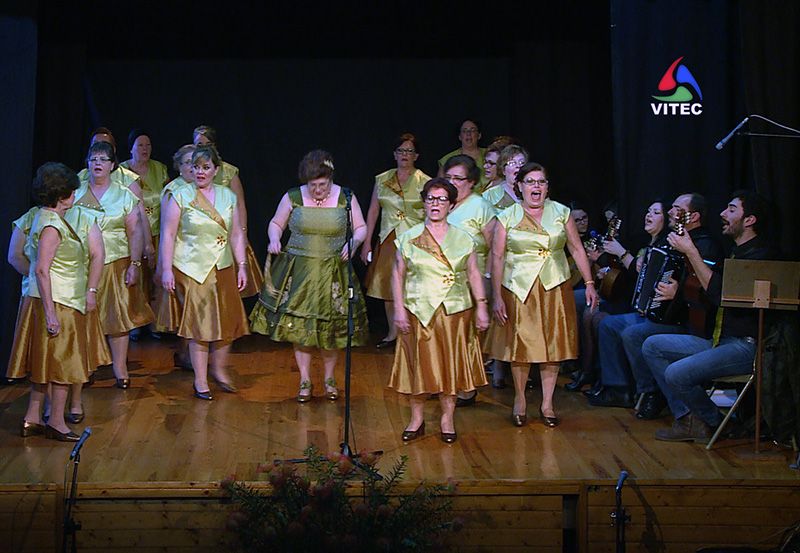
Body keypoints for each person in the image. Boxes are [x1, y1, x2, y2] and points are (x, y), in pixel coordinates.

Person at [641, 191, 774, 441]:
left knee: (676, 374)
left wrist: (691, 251)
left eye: (732, 209)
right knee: (652, 346)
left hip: (745, 346)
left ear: (750, 220)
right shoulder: (735, 252)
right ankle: (689, 419)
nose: (723, 214)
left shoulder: (759, 258)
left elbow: (719, 294)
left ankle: (718, 422)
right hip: (719, 340)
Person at [485, 162, 599, 427]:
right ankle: (521, 399)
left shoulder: (561, 212)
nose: (536, 186)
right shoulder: (507, 216)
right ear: (520, 186)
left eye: (541, 182)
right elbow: (498, 256)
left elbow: (577, 249)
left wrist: (590, 282)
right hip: (518, 288)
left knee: (552, 345)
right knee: (521, 345)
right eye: (531, 182)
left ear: (547, 187)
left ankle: (547, 402)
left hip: (554, 286)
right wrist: (497, 295)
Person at [250, 150, 369, 402]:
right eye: (312, 185)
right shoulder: (293, 196)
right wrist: (273, 238)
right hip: (300, 271)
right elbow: (276, 223)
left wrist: (354, 243)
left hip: (332, 271)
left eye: (322, 185)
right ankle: (304, 379)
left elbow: (360, 227)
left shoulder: (345, 197)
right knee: (301, 329)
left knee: (330, 329)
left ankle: (328, 378)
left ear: (330, 178)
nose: (317, 190)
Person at [587, 193, 724, 410]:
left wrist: (677, 293)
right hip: (659, 313)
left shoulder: (705, 245)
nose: (671, 211)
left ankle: (650, 393)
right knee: (608, 324)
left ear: (694, 216)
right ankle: (618, 388)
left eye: (677, 209)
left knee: (632, 334)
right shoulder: (668, 241)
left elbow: (708, 287)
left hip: (683, 322)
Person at [7, 163, 106, 441]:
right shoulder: (51, 224)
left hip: (54, 299)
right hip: (59, 301)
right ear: (62, 195)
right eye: (72, 191)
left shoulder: (43, 217)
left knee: (45, 362)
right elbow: (41, 269)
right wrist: (51, 313)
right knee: (62, 365)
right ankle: (56, 422)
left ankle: (33, 417)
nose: (75, 195)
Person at [388, 178, 490, 443]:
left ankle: (447, 418)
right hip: (418, 310)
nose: (436, 204)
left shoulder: (463, 238)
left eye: (442, 199)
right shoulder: (408, 238)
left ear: (451, 204)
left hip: (455, 311)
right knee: (418, 365)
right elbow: (397, 275)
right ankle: (417, 418)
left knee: (449, 366)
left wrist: (481, 306)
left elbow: (474, 274)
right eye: (431, 199)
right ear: (424, 203)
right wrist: (398, 309)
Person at [159, 145, 249, 400]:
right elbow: (168, 234)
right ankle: (200, 380)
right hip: (192, 267)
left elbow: (236, 234)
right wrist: (166, 269)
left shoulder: (227, 196)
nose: (199, 172)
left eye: (205, 168)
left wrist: (242, 265)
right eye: (196, 167)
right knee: (200, 325)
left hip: (223, 265)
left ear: (216, 170)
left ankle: (218, 369)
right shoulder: (180, 195)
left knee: (227, 320)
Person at [73, 141, 155, 389]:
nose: (97, 163)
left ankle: (119, 367)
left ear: (112, 165)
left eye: (102, 159)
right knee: (86, 315)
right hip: (84, 266)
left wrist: (134, 264)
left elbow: (135, 231)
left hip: (116, 262)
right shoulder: (74, 193)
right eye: (93, 159)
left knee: (117, 317)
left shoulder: (124, 194)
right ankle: (86, 366)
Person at [565, 200, 669, 392]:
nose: (648, 215)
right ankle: (583, 367)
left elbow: (637, 273)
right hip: (619, 296)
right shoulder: (643, 242)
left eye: (655, 212)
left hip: (630, 303)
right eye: (648, 211)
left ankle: (604, 378)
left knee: (593, 315)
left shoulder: (660, 247)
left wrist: (616, 256)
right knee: (576, 303)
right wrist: (603, 268)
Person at [361, 133, 431, 349]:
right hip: (389, 238)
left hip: (414, 238)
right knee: (386, 286)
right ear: (394, 154)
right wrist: (367, 242)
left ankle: (411, 332)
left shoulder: (425, 181)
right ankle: (392, 333)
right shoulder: (382, 179)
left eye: (409, 151)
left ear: (416, 155)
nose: (405, 155)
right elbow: (374, 211)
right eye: (401, 150)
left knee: (412, 285)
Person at [441, 155, 497, 403]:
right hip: (441, 281)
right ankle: (445, 382)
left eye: (458, 179)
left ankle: (465, 386)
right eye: (448, 177)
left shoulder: (480, 206)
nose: (452, 183)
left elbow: (495, 247)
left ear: (472, 182)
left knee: (465, 335)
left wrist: (490, 283)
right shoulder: (442, 203)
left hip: (471, 281)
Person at [193, 125, 264, 298]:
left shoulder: (229, 171)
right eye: (198, 145)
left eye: (206, 144)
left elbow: (240, 204)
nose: (202, 148)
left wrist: (244, 233)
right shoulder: (192, 171)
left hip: (226, 232)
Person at [120, 129, 170, 305]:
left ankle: (155, 322)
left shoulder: (160, 169)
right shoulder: (121, 171)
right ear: (131, 148)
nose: (145, 149)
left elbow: (168, 199)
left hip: (158, 230)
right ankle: (134, 319)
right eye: (140, 145)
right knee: (135, 275)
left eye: (148, 145)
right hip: (132, 232)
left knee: (155, 277)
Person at [482, 144, 528, 210]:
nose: (518, 166)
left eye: (521, 162)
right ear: (503, 170)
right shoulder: (489, 196)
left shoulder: (534, 191)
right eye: (512, 163)